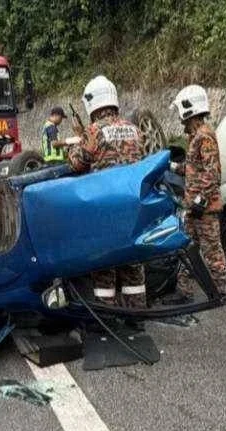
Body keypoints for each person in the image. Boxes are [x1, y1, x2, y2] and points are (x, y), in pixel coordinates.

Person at [67, 75, 147, 308]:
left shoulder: (93, 131)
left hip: (105, 209)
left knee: (105, 263)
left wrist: (76, 142)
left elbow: (76, 163)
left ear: (92, 104)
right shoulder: (134, 129)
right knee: (132, 262)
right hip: (133, 207)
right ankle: (137, 311)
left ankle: (107, 313)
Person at [167, 85, 226, 303]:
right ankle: (184, 291)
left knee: (212, 252)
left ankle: (220, 292)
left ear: (189, 109)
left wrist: (200, 201)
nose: (181, 120)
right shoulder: (195, 137)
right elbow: (193, 168)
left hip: (205, 210)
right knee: (186, 250)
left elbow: (213, 175)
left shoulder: (205, 136)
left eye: (182, 115)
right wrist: (172, 167)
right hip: (193, 207)